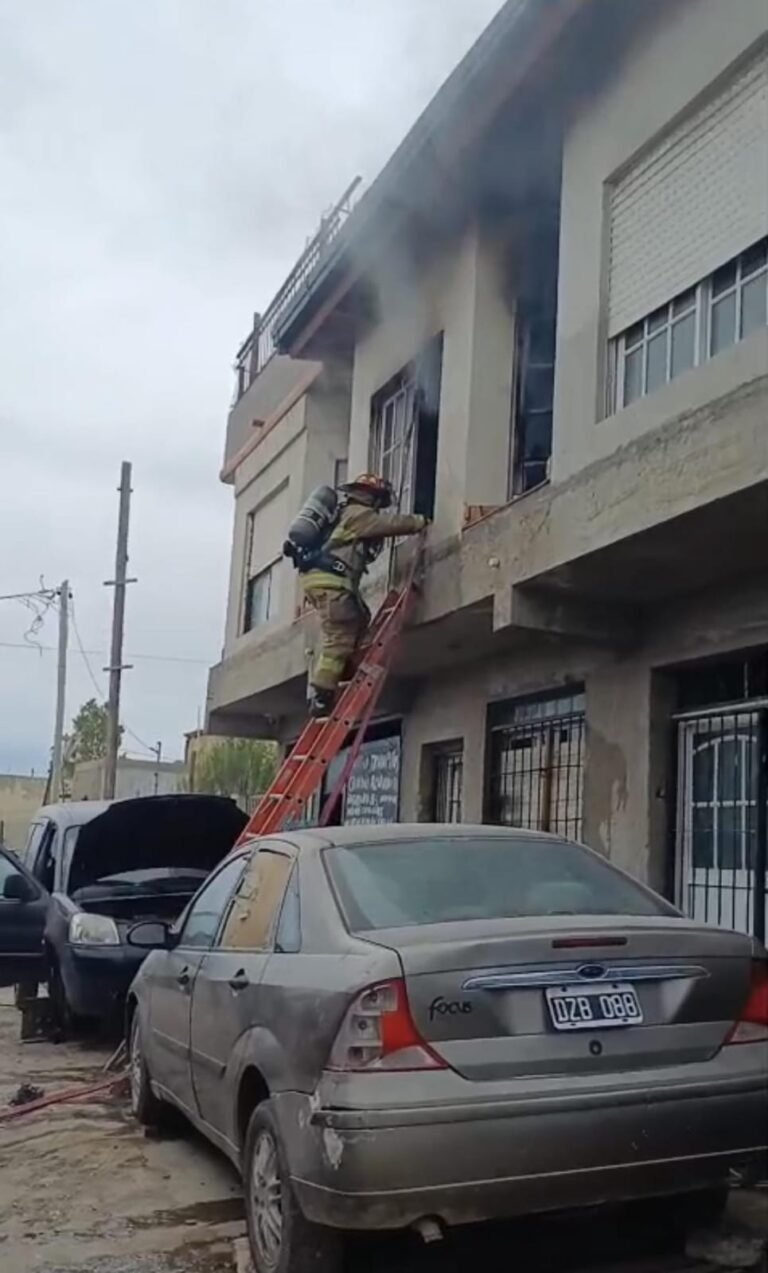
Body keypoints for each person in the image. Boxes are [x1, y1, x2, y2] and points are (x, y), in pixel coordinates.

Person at [302, 473, 427, 716]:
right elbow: (389, 525)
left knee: (358, 616)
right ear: (371, 496)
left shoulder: (341, 514)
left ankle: (345, 667)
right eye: (379, 500)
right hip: (332, 583)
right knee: (339, 635)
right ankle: (321, 697)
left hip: (324, 582)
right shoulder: (359, 514)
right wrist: (420, 522)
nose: (379, 506)